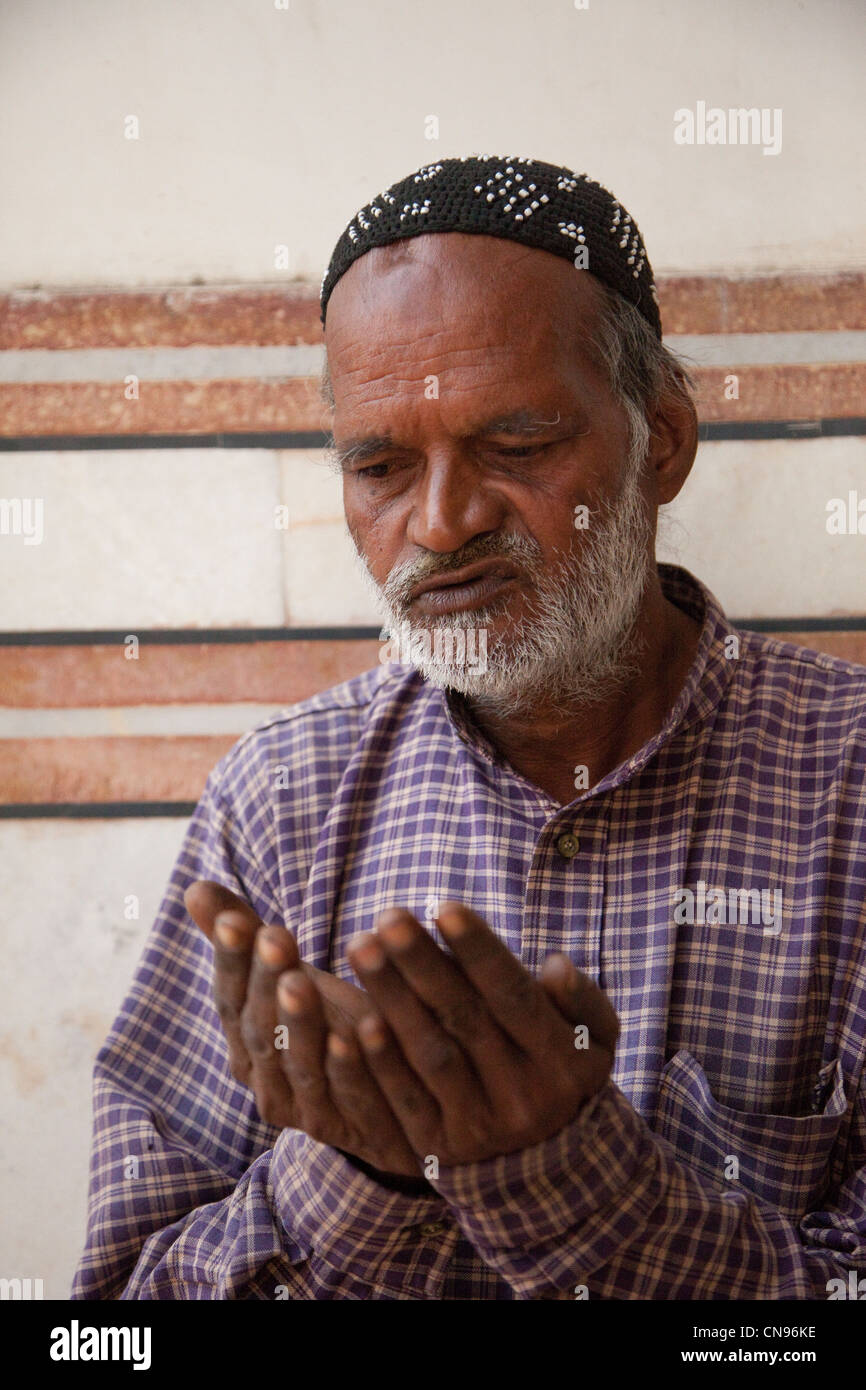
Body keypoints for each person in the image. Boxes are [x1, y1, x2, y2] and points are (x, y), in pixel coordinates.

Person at [72, 156, 866, 1300]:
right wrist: (360, 1174)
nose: (441, 523)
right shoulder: (277, 803)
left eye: (519, 446)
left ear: (663, 446)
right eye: (382, 466)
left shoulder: (846, 785)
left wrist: (564, 1179)